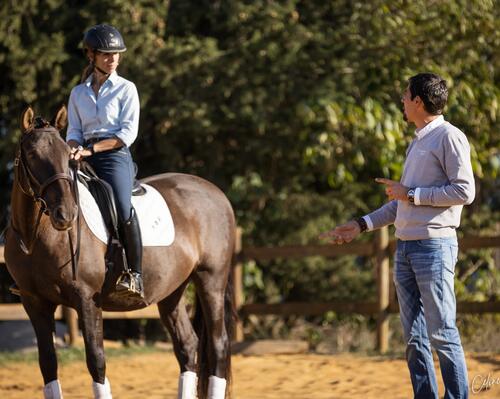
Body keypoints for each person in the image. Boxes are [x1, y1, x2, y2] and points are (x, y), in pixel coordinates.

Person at [320, 73, 474, 398]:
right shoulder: (419, 140)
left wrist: (413, 194)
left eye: (406, 96)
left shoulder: (449, 136)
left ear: (418, 101)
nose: (402, 101)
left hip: (434, 247)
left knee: (443, 333)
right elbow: (401, 204)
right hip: (405, 249)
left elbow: (465, 191)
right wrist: (360, 225)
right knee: (414, 338)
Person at [66, 24, 144, 299]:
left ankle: (135, 275)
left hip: (114, 156)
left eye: (116, 55)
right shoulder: (78, 93)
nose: (113, 59)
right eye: (106, 55)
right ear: (91, 55)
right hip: (83, 153)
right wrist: (75, 148)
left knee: (123, 207)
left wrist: (91, 150)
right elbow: (73, 132)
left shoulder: (127, 89)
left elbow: (127, 134)